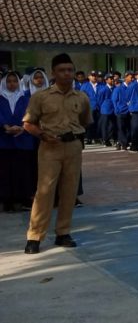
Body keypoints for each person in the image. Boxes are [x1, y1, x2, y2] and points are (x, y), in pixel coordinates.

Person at [22, 53, 92, 254]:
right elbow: (28, 123)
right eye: (62, 70)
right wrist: (43, 135)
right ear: (53, 73)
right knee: (44, 191)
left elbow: (86, 121)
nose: (67, 74)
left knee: (69, 191)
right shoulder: (41, 97)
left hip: (73, 147)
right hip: (49, 147)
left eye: (70, 70)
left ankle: (63, 232)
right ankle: (35, 236)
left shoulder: (82, 97)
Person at [1, 71, 35, 213]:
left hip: (22, 139)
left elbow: (30, 115)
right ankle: (7, 200)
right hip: (4, 140)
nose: (12, 84)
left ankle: (22, 199)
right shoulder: (0, 98)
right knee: (5, 172)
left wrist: (22, 127)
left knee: (22, 171)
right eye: (9, 81)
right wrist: (5, 126)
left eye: (15, 81)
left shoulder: (25, 98)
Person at [97, 74, 115, 147]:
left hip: (113, 109)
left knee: (111, 125)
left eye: (112, 78)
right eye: (110, 79)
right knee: (104, 125)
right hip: (105, 110)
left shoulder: (114, 88)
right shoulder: (103, 89)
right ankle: (105, 139)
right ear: (106, 80)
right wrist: (103, 107)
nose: (112, 80)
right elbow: (100, 100)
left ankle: (108, 138)